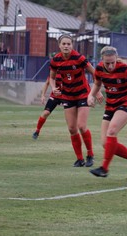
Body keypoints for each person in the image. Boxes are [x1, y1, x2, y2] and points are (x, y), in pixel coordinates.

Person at [88, 46, 127, 177]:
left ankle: (104, 168)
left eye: (112, 63)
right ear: (102, 60)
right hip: (110, 106)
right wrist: (90, 95)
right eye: (107, 63)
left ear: (116, 59)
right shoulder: (98, 68)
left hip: (126, 104)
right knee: (105, 143)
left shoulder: (125, 69)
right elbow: (97, 84)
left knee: (112, 131)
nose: (110, 66)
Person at [49, 34, 103, 167]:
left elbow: (95, 73)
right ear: (59, 45)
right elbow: (52, 77)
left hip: (83, 94)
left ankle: (90, 154)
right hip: (67, 96)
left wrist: (97, 91)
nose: (66, 46)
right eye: (64, 44)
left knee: (81, 126)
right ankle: (79, 159)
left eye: (69, 44)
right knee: (72, 129)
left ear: (72, 45)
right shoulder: (55, 60)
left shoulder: (79, 58)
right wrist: (53, 87)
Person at [32, 72, 63, 140]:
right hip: (55, 96)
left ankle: (77, 132)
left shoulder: (67, 72)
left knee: (72, 114)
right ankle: (37, 131)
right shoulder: (54, 73)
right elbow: (47, 83)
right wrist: (43, 95)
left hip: (66, 96)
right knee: (46, 113)